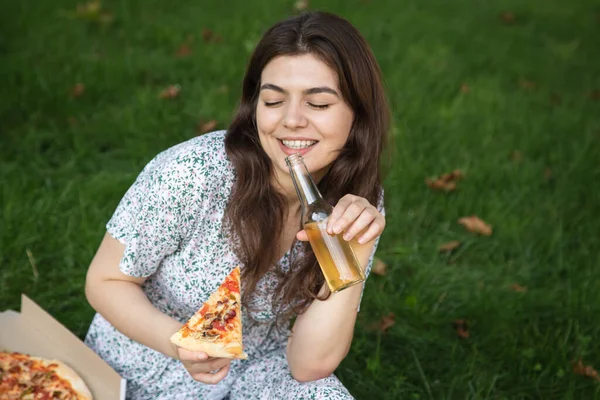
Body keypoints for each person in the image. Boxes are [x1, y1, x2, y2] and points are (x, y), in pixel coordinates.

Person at [84, 10, 390, 400]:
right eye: (274, 100)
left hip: (257, 371)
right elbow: (106, 280)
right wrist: (181, 344)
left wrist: (354, 253)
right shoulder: (192, 173)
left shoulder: (358, 202)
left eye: (318, 105)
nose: (291, 120)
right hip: (144, 368)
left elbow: (308, 365)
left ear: (357, 116)